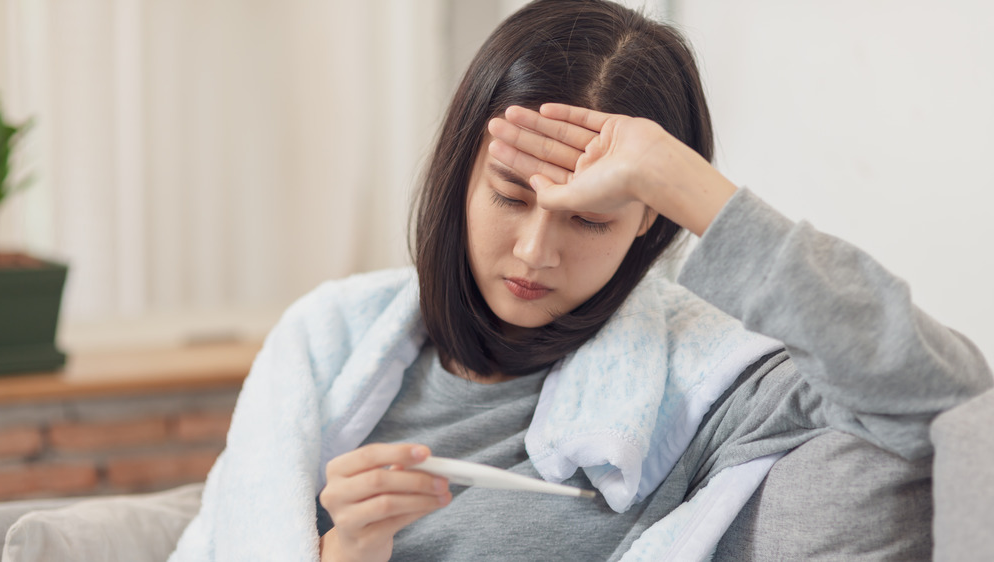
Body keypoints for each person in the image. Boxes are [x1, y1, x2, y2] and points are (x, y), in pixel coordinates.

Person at [169, 1, 993, 561]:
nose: (534, 252)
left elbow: (951, 405)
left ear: (647, 222)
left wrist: (695, 187)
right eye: (509, 196)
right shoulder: (331, 339)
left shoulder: (709, 382)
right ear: (460, 176)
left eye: (590, 219)